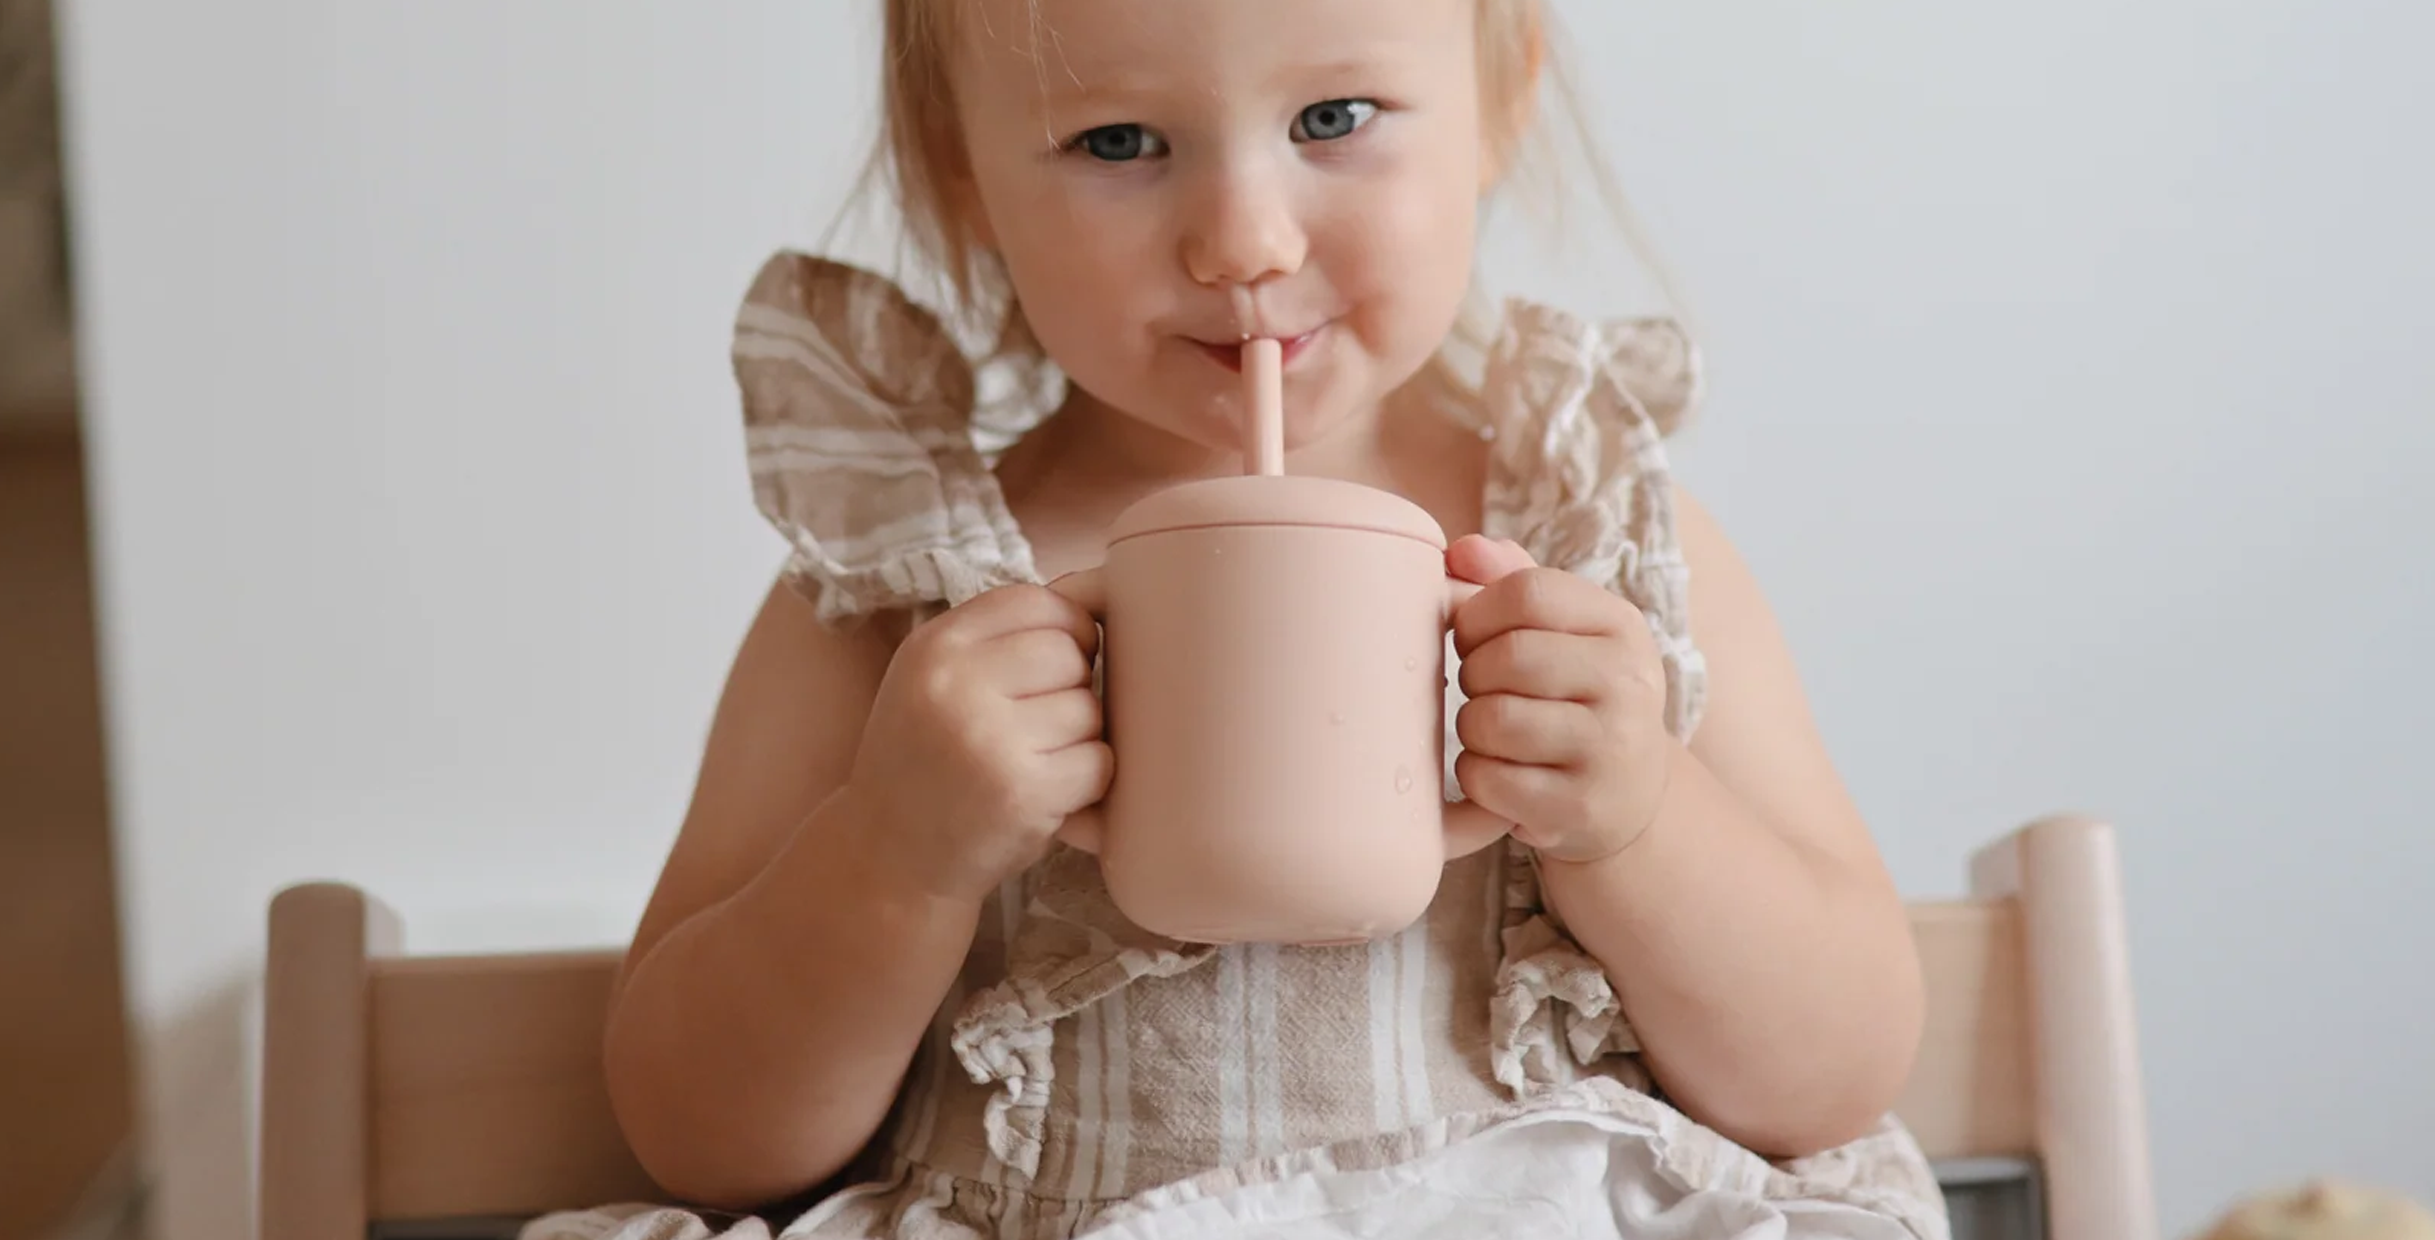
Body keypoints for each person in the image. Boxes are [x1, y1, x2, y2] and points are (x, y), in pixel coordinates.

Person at [531, 1, 1947, 1236]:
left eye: (1333, 116)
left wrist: (1637, 823)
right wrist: (895, 853)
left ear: (1498, 100)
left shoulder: (1603, 544)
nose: (1242, 242)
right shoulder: (892, 590)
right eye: (1118, 144)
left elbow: (1835, 1074)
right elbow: (699, 1136)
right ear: (965, 179)